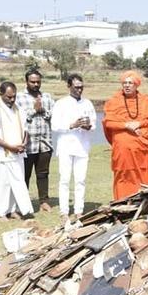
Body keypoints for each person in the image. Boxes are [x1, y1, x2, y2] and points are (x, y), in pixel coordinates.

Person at [103, 70, 148, 199]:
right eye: (124, 83)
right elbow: (108, 123)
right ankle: (122, 205)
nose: (127, 85)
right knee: (123, 177)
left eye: (130, 83)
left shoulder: (147, 102)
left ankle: (144, 207)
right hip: (123, 151)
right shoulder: (113, 102)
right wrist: (126, 126)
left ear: (136, 85)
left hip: (142, 150)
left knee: (145, 176)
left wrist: (139, 123)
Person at [51, 74, 97, 222]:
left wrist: (88, 126)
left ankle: (79, 210)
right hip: (66, 146)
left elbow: (94, 124)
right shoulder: (61, 103)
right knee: (64, 179)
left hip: (82, 146)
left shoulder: (88, 103)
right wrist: (72, 125)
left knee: (80, 180)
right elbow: (55, 126)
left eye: (81, 87)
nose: (79, 90)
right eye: (76, 87)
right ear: (69, 86)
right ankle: (64, 211)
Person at [0, 81, 35, 221]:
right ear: (1, 94)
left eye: (14, 96)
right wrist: (9, 147)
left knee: (17, 182)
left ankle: (13, 209)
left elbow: (25, 129)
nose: (12, 99)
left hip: (19, 152)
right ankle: (1, 212)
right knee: (3, 184)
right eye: (9, 97)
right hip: (5, 153)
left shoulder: (19, 109)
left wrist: (25, 143)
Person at [15, 69, 54, 211]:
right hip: (27, 144)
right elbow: (17, 119)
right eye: (33, 82)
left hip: (44, 143)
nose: (36, 84)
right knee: (24, 175)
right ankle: (23, 203)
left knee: (43, 174)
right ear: (26, 82)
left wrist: (43, 110)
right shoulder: (19, 97)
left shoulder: (47, 97)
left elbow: (54, 117)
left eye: (38, 81)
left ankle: (44, 201)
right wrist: (34, 111)